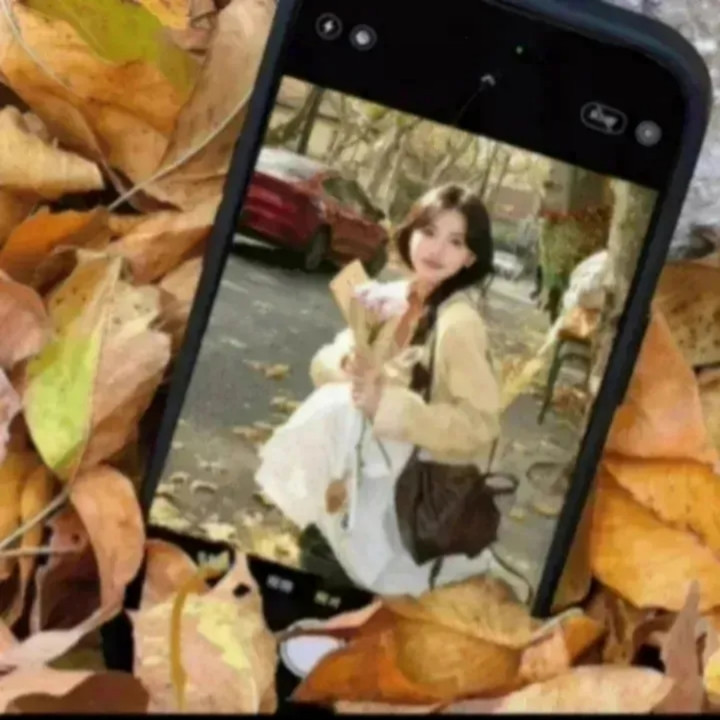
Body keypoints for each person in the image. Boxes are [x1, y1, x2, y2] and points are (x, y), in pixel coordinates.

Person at [255, 183, 527, 599]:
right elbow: (326, 362)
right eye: (429, 231)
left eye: (455, 241)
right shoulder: (387, 298)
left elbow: (480, 425)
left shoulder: (459, 325)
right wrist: (345, 365)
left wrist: (392, 408)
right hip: (353, 478)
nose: (436, 249)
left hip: (408, 490)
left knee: (361, 598)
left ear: (470, 257)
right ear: (411, 232)